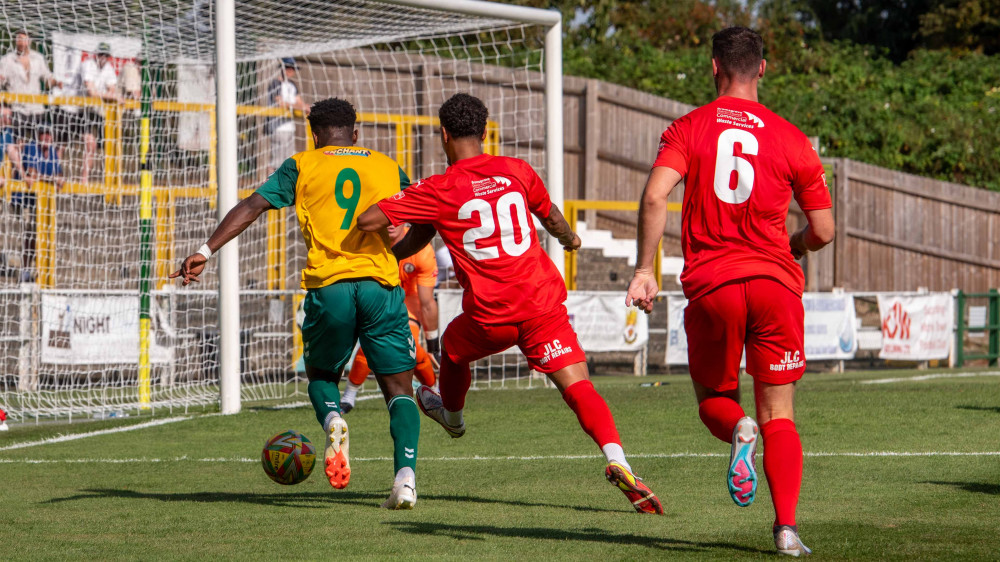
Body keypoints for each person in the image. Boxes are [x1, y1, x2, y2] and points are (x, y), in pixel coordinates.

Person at [357, 93, 663, 515]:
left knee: (453, 346)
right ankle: (618, 459)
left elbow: (370, 219)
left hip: (490, 316)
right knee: (579, 388)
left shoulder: (438, 187)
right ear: (485, 132)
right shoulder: (516, 170)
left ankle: (453, 418)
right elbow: (551, 215)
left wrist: (389, 227)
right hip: (542, 306)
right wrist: (569, 239)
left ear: (443, 134)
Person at [625, 27, 835, 556]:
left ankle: (738, 427)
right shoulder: (792, 138)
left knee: (716, 401)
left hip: (715, 285)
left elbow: (654, 197)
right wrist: (797, 243)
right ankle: (786, 530)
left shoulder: (689, 127)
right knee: (780, 413)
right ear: (762, 68)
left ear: (714, 66)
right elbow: (825, 230)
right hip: (775, 284)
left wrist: (643, 270)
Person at [170, 98, 421, 510]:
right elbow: (426, 211)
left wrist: (205, 250)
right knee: (399, 388)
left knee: (322, 376)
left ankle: (333, 418)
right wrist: (406, 244)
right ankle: (405, 480)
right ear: (354, 133)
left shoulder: (302, 164)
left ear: (315, 134)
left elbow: (253, 206)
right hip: (381, 285)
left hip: (330, 288)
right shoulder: (386, 165)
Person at [341, 223, 438, 413]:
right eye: (388, 218)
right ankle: (349, 395)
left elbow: (427, 302)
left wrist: (433, 345)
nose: (392, 223)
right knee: (370, 343)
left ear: (406, 220)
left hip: (408, 300)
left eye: (398, 218)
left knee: (413, 348)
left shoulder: (422, 248)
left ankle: (434, 390)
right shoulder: (369, 241)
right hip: (380, 297)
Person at [14, 125, 64, 282]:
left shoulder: (53, 153)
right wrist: (53, 179)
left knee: (42, 235)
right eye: (43, 135)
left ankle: (39, 271)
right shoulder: (31, 148)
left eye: (49, 135)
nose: (47, 138)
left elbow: (60, 175)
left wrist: (57, 178)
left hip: (42, 201)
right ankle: (26, 270)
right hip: (24, 199)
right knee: (30, 233)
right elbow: (32, 174)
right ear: (38, 136)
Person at [0, 30, 61, 154]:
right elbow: (2, 79)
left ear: (29, 41)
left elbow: (47, 77)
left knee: (41, 143)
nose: (21, 42)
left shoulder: (37, 58)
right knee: (19, 143)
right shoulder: (7, 60)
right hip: (18, 108)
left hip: (36, 108)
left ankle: (41, 170)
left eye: (24, 39)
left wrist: (56, 83)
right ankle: (19, 171)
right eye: (19, 39)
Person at [74, 42, 120, 182]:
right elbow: (91, 92)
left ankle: (104, 179)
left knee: (108, 144)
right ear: (96, 54)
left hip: (97, 111)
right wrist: (113, 96)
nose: (103, 57)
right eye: (101, 54)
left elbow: (112, 88)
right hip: (78, 110)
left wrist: (112, 94)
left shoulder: (108, 68)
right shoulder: (87, 65)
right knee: (88, 143)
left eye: (106, 55)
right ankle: (83, 179)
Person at [266, 58, 310, 174]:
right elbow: (280, 103)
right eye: (289, 68)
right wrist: (300, 107)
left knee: (288, 159)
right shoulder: (275, 83)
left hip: (290, 127)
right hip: (278, 127)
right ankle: (267, 186)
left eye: (293, 69)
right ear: (283, 69)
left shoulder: (292, 85)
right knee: (276, 161)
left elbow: (299, 101)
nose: (291, 71)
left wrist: (305, 106)